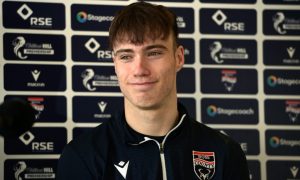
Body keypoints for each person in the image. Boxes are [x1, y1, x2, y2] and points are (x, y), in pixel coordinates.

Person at [57, 2, 250, 180]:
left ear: (179, 58)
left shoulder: (225, 153)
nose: (140, 69)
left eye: (154, 53)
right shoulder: (83, 156)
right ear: (114, 64)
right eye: (126, 56)